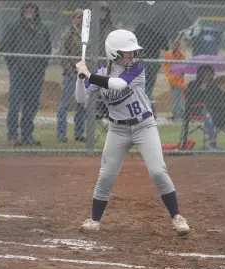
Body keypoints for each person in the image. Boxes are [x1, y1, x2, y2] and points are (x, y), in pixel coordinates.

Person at [75, 29, 190, 236]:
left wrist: (89, 75)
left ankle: (177, 217)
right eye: (127, 52)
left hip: (144, 125)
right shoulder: (101, 72)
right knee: (106, 176)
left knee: (157, 171)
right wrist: (80, 77)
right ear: (114, 54)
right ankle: (94, 220)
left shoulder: (137, 67)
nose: (133, 56)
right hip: (117, 129)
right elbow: (81, 99)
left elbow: (118, 84)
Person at [0, 2, 52, 146]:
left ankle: (27, 135)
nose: (29, 11)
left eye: (32, 8)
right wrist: (13, 65)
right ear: (22, 11)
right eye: (27, 8)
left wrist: (42, 67)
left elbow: (48, 50)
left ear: (36, 11)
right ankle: (12, 135)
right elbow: (4, 47)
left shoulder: (42, 28)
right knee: (15, 104)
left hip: (36, 73)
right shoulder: (14, 27)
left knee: (32, 104)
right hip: (19, 71)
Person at [56, 8, 86, 143]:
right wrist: (69, 69)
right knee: (64, 104)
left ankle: (79, 133)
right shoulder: (68, 33)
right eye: (78, 17)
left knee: (82, 104)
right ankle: (61, 134)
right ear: (73, 19)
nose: (80, 20)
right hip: (70, 74)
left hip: (84, 74)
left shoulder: (87, 34)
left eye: (83, 18)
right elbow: (62, 53)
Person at [184, 65, 217, 148]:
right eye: (205, 74)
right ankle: (212, 141)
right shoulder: (193, 84)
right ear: (200, 74)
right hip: (196, 109)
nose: (207, 76)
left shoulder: (214, 85)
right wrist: (200, 90)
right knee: (207, 112)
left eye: (209, 74)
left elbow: (218, 98)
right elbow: (190, 100)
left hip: (214, 109)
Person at [162, 40, 187, 120]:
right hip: (171, 79)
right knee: (177, 97)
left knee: (178, 98)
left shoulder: (181, 54)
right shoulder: (168, 54)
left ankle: (177, 114)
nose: (174, 46)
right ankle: (180, 113)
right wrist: (169, 75)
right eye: (173, 44)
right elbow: (166, 66)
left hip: (179, 80)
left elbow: (183, 68)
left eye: (176, 44)